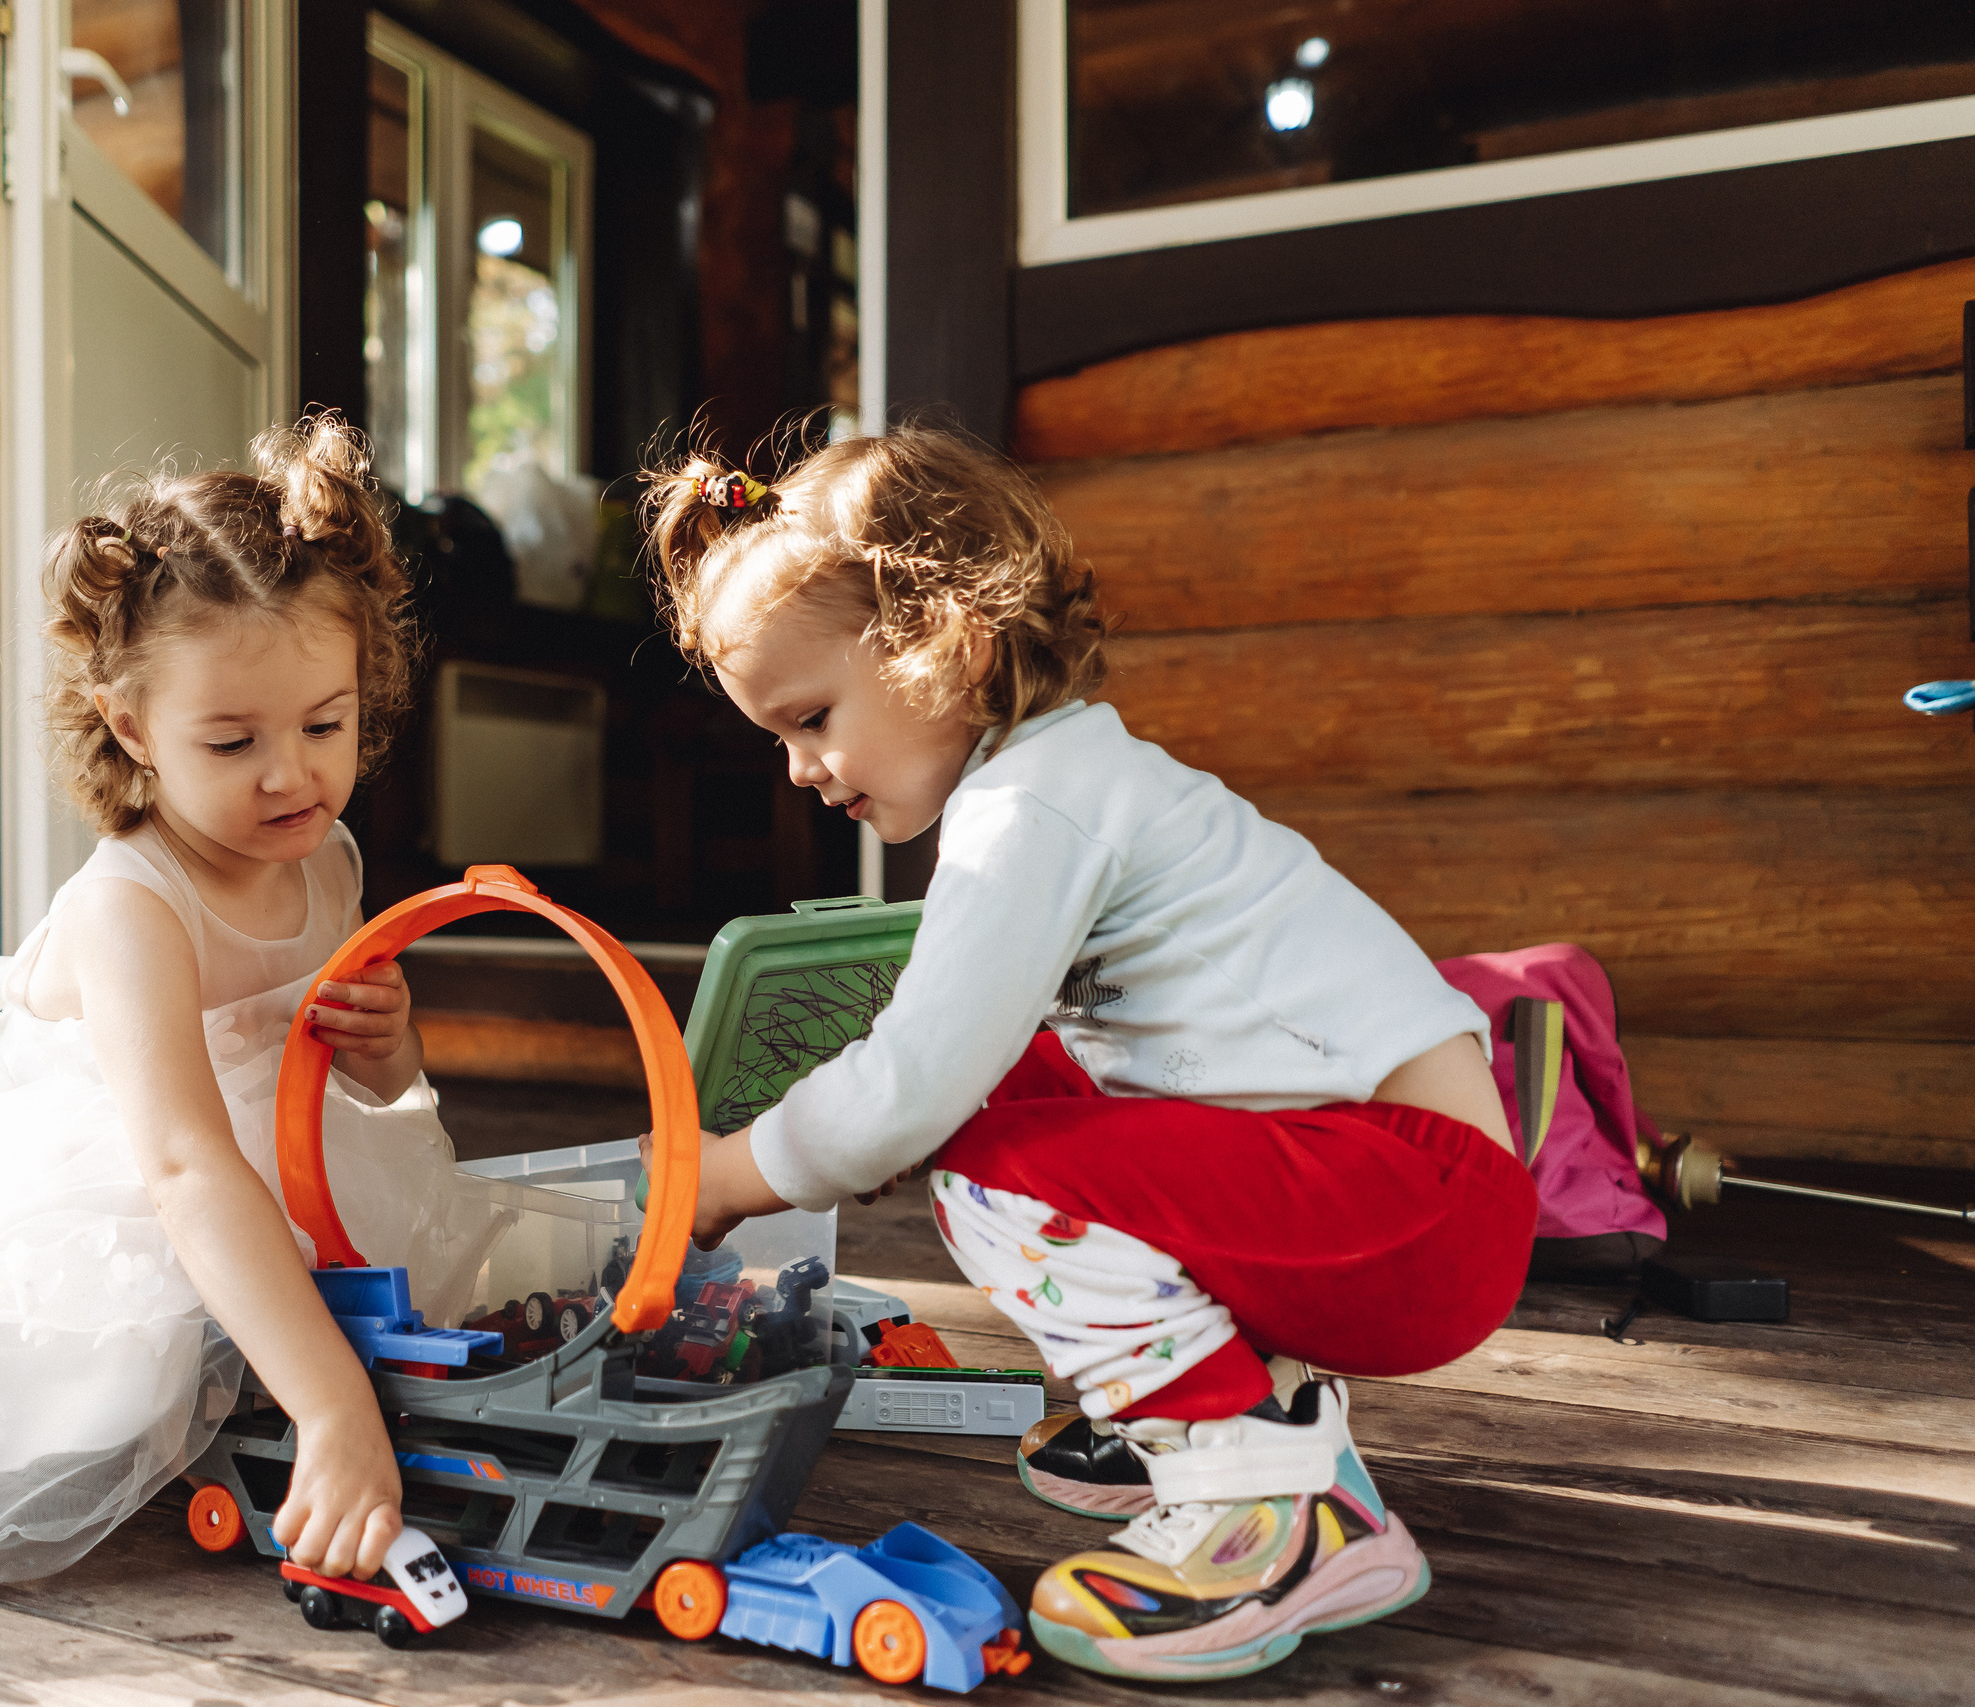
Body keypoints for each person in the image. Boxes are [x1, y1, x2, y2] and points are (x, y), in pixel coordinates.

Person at [639, 433, 1537, 1683]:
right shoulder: (1072, 778)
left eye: (811, 719)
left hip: (1415, 1216)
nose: (800, 771)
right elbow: (967, 1073)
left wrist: (731, 1174)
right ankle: (1246, 1418)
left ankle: (1260, 1508)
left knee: (993, 1174)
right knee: (1004, 1099)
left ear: (939, 644)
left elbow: (906, 1086)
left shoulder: (1028, 811)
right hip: (1397, 1196)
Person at [0, 418, 461, 1587]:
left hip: (263, 1160)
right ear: (132, 728)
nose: (290, 773)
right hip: (96, 1180)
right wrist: (330, 1406)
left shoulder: (330, 858)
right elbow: (184, 1169)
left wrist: (386, 1048)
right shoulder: (133, 908)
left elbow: (359, 1087)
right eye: (231, 740)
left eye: (326, 725)